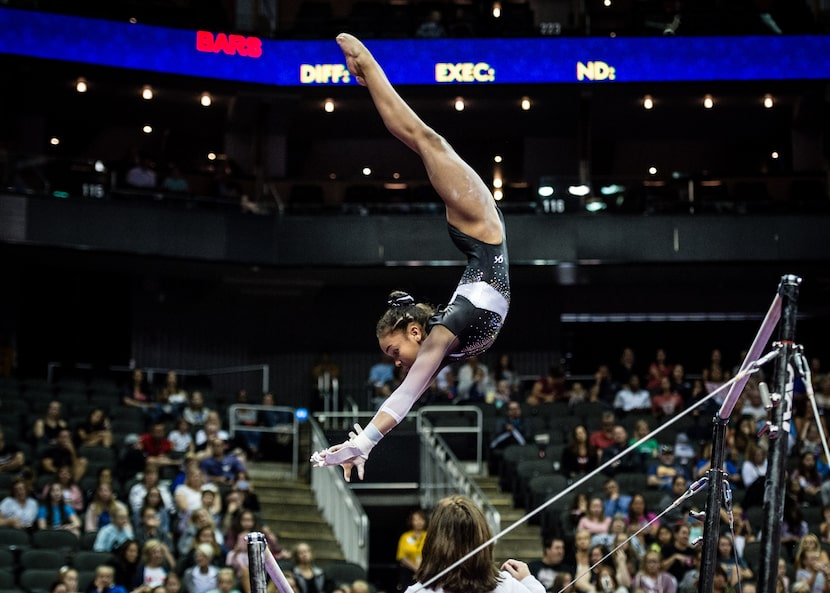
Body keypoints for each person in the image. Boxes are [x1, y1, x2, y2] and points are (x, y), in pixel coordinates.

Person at [311, 34, 510, 482]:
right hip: (481, 232)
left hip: (481, 230)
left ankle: (368, 67)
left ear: (414, 330)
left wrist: (362, 442)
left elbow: (404, 395)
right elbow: (407, 393)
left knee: (423, 138)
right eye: (393, 354)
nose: (397, 360)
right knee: (423, 139)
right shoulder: (441, 338)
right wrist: (362, 443)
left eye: (394, 350)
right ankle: (368, 73)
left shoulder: (441, 334)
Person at [407, 495, 544, 593]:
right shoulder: (508, 586)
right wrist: (528, 581)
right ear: (483, 537)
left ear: (433, 541)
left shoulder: (417, 591)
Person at [489, 401, 534, 475]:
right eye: (512, 409)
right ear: (508, 411)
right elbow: (495, 442)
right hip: (505, 447)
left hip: (520, 447)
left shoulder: (526, 421)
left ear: (520, 410)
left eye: (516, 409)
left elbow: (526, 439)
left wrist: (514, 430)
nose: (514, 411)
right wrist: (507, 431)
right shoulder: (502, 421)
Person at [396, 508, 427, 590]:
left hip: (426, 570)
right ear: (411, 522)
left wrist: (423, 568)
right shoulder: (405, 537)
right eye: (416, 520)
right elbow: (401, 557)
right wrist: (416, 568)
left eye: (421, 519)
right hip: (409, 572)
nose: (419, 522)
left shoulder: (429, 535)